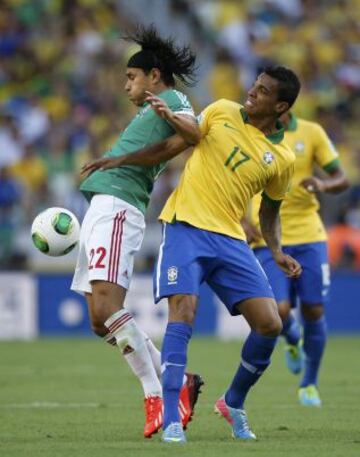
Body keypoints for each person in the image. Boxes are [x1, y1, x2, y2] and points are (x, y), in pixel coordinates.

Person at [82, 65, 302, 443]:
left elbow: (270, 210)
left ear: (280, 105)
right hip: (185, 226)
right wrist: (125, 156)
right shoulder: (220, 110)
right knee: (183, 312)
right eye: (255, 84)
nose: (252, 91)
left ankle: (232, 402)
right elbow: (182, 140)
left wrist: (277, 250)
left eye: (263, 91)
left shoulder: (281, 159)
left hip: (231, 240)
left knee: (270, 325)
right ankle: (171, 416)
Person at [71, 24, 204, 438]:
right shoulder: (150, 111)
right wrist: (120, 159)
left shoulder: (174, 99)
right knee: (99, 319)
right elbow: (164, 149)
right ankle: (175, 382)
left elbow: (192, 136)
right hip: (101, 205)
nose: (127, 85)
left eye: (132, 77)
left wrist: (122, 159)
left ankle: (157, 395)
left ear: (154, 76)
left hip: (119, 205)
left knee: (109, 308)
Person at [248, 112, 349, 406]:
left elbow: (340, 177)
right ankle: (293, 340)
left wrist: (324, 185)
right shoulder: (249, 134)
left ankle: (309, 384)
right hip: (267, 237)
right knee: (278, 309)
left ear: (283, 103)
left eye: (264, 94)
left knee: (314, 309)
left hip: (308, 235)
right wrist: (242, 218)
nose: (256, 100)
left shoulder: (311, 132)